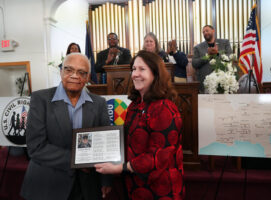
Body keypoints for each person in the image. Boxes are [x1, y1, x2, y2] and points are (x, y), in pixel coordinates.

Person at [94, 50, 185, 200]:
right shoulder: (135, 105)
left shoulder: (165, 108)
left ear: (155, 74)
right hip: (135, 185)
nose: (135, 74)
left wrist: (119, 167)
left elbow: (158, 156)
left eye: (142, 69)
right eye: (134, 69)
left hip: (160, 189)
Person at [21, 53, 112, 200]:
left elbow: (105, 145)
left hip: (87, 186)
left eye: (81, 72)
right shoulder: (40, 99)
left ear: (87, 77)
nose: (75, 76)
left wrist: (106, 180)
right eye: (69, 70)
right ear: (61, 71)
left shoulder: (99, 103)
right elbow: (36, 147)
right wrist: (77, 160)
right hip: (48, 183)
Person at [192, 25, 232, 93]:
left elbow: (230, 57)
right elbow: (194, 63)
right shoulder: (198, 47)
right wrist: (208, 56)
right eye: (203, 32)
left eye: (207, 30)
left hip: (223, 82)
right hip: (206, 83)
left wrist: (217, 54)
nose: (205, 33)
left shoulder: (225, 43)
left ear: (213, 31)